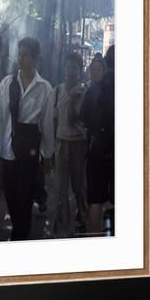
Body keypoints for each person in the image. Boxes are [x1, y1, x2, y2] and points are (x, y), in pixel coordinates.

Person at [0, 37, 54, 241]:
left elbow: (47, 125)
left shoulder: (45, 89)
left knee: (25, 199)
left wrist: (48, 156)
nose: (20, 58)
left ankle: (19, 238)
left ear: (34, 59)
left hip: (29, 153)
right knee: (11, 197)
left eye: (25, 55)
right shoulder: (7, 84)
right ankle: (20, 232)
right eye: (19, 54)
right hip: (7, 150)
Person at [80, 45, 115, 233]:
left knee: (96, 201)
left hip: (97, 151)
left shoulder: (95, 89)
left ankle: (94, 244)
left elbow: (83, 116)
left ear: (107, 64)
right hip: (120, 153)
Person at [53, 52, 88, 237]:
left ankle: (82, 219)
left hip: (78, 145)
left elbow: (74, 118)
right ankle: (62, 227)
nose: (70, 71)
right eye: (67, 67)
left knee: (78, 187)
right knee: (60, 189)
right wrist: (51, 146)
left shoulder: (83, 92)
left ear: (79, 70)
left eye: (74, 67)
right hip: (61, 144)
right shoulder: (57, 90)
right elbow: (54, 118)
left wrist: (74, 98)